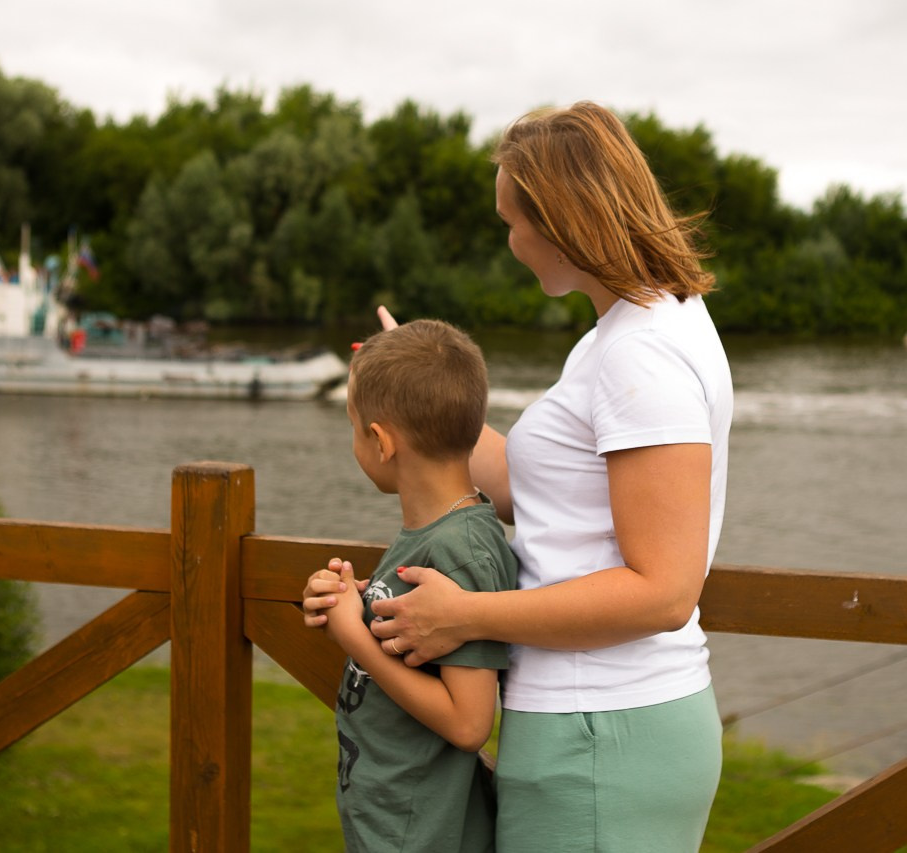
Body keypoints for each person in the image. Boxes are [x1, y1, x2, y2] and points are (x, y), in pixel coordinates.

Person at [304, 101, 733, 852]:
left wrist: (468, 615)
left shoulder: (640, 355)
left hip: (601, 731)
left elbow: (666, 591)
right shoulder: (636, 328)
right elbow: (537, 488)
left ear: (563, 221)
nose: (510, 242)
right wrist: (415, 389)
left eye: (512, 221)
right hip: (596, 728)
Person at [309, 318, 518, 853]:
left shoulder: (462, 549)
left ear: (381, 442)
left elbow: (469, 723)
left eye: (353, 426)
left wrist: (354, 637)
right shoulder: (436, 531)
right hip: (389, 818)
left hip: (418, 832)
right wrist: (352, 603)